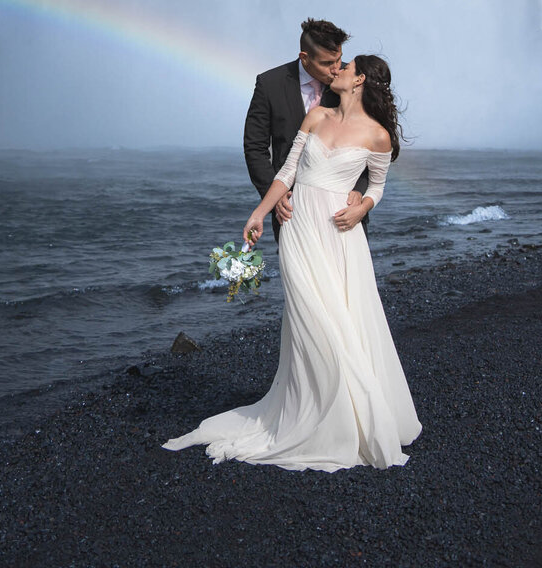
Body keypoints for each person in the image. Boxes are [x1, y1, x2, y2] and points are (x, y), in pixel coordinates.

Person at [162, 53, 422, 471]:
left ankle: (349, 417)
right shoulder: (315, 117)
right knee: (309, 318)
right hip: (300, 231)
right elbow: (286, 172)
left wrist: (364, 205)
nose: (336, 71)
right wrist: (259, 213)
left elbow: (378, 183)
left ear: (360, 82)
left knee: (340, 320)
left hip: (341, 238)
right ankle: (314, 408)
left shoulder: (377, 136)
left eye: (346, 67)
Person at [243, 18, 370, 240]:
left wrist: (359, 191)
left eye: (339, 59)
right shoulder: (269, 84)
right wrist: (272, 197)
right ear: (304, 57)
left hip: (344, 209)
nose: (336, 69)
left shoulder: (353, 80)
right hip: (289, 209)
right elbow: (255, 147)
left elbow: (372, 142)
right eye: (327, 63)